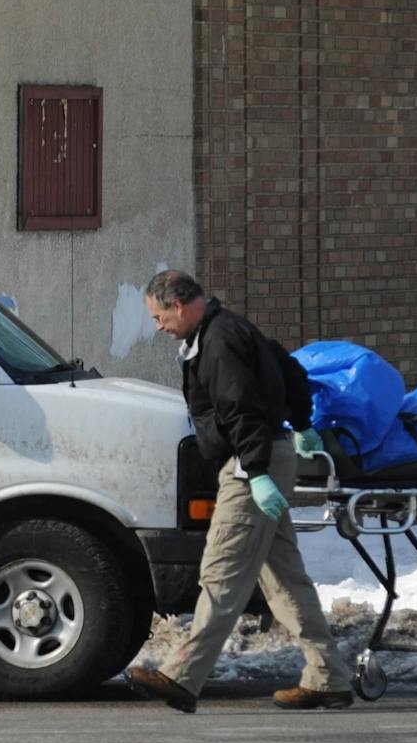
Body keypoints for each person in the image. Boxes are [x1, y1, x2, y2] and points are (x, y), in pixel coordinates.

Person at [126, 270, 353, 713]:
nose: (157, 326)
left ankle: (182, 676)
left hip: (252, 465)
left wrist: (255, 470)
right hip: (267, 455)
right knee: (283, 576)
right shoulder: (231, 327)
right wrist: (302, 424)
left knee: (222, 570)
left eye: (158, 316)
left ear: (178, 305)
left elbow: (239, 408)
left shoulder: (218, 341)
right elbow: (289, 370)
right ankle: (328, 676)